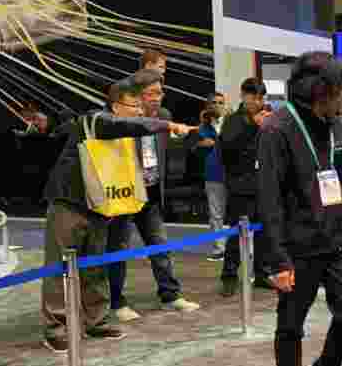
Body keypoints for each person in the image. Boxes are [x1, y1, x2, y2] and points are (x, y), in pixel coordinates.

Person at [41, 78, 194, 351]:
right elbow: (122, 124)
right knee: (58, 268)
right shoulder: (96, 120)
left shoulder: (125, 132)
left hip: (100, 206)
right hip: (69, 203)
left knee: (96, 267)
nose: (138, 111)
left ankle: (96, 321)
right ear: (115, 105)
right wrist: (167, 125)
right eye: (133, 105)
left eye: (139, 106)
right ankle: (56, 328)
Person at [256, 51, 342, 366]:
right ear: (321, 91)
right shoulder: (277, 129)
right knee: (290, 325)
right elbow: (268, 199)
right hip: (297, 246)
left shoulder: (338, 126)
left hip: (340, 238)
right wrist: (277, 260)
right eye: (340, 90)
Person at [106, 69, 201, 322]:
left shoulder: (164, 116)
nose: (158, 98)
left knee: (160, 245)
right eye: (152, 93)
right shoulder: (121, 119)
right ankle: (116, 301)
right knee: (119, 249)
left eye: (160, 92)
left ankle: (170, 294)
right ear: (136, 96)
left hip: (152, 192)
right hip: (125, 195)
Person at [218, 78, 273, 296]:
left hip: (263, 184)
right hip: (240, 186)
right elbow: (227, 149)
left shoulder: (268, 116)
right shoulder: (234, 120)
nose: (258, 103)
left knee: (264, 234)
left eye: (261, 98)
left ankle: (262, 273)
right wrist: (253, 126)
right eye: (254, 98)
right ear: (244, 96)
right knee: (236, 235)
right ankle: (229, 276)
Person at [198, 102, 225, 261]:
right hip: (213, 174)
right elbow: (192, 145)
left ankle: (242, 249)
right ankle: (219, 249)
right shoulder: (203, 128)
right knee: (216, 214)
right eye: (214, 103)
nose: (218, 106)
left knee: (241, 214)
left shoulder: (233, 123)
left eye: (221, 103)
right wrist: (202, 143)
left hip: (234, 174)